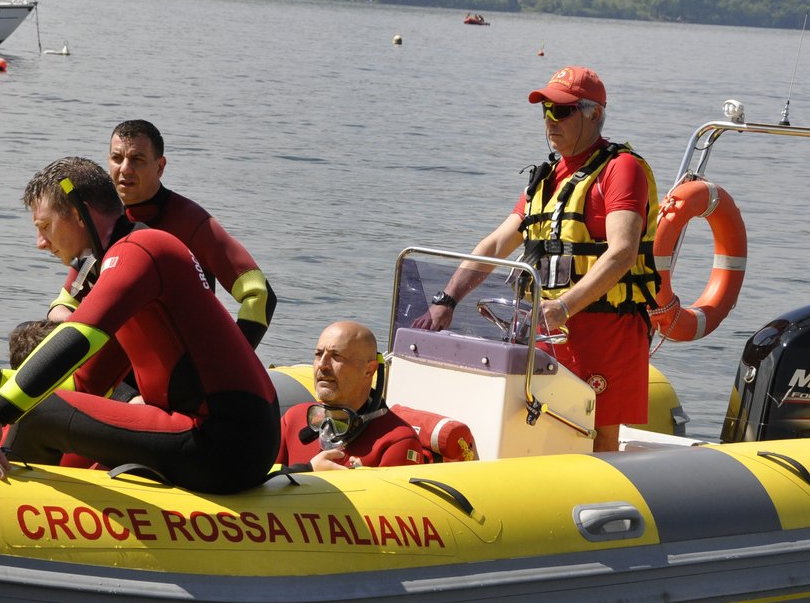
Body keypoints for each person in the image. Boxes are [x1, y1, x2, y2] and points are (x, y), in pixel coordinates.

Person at [0, 156, 279, 494]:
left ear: (76, 213)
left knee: (37, 412)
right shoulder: (128, 265)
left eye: (44, 226)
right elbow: (86, 383)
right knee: (41, 404)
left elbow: (78, 336)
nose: (40, 243)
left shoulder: (142, 249)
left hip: (225, 443)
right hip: (226, 440)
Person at [413, 65, 658, 453]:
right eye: (545, 110)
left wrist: (564, 305)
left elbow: (623, 252)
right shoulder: (545, 179)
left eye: (561, 111)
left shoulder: (621, 169)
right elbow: (496, 245)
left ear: (594, 113)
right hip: (545, 329)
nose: (550, 121)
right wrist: (447, 300)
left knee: (599, 436)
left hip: (605, 329)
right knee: (540, 427)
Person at [45, 119, 276, 349]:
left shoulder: (190, 222)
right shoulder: (101, 221)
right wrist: (74, 330)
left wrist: (232, 360)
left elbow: (259, 295)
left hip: (181, 370)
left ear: (160, 166)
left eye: (137, 159)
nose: (125, 169)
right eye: (117, 158)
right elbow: (64, 302)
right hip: (116, 365)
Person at [278, 321, 427, 471]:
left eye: (336, 356)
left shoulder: (397, 441)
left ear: (369, 370)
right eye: (318, 354)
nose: (322, 365)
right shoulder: (294, 419)